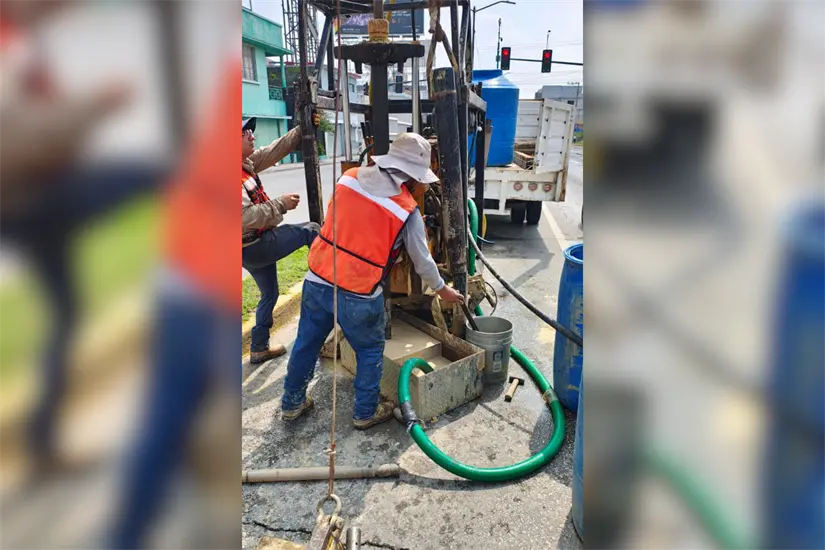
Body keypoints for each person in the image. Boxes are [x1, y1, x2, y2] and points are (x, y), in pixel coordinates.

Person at [282, 132, 464, 430]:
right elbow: (422, 262)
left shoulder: (348, 178)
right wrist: (443, 290)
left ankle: (292, 404)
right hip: (360, 293)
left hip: (318, 279)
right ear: (412, 176)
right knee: (369, 351)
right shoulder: (406, 210)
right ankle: (364, 413)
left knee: (306, 343)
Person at [242, 115, 321, 364]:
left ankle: (259, 347)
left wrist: (302, 127)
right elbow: (243, 217)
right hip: (256, 245)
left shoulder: (244, 164)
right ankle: (333, 293)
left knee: (270, 294)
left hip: (248, 249)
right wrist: (281, 204)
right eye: (245, 134)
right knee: (311, 230)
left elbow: (273, 151)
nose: (252, 137)